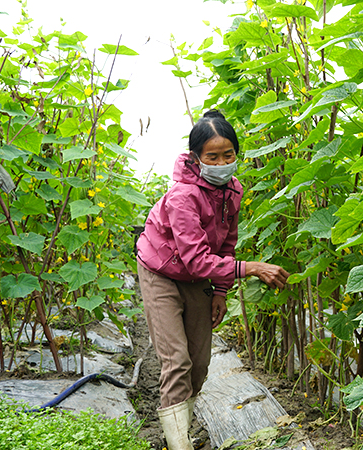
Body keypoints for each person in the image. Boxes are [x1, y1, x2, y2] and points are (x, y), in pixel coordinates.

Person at [136, 110, 289, 450]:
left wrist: (220, 292)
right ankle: (179, 445)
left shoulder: (232, 190)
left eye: (228, 155)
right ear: (196, 158)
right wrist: (253, 268)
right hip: (161, 272)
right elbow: (196, 257)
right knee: (177, 360)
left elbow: (227, 244)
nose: (222, 163)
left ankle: (180, 429)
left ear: (237, 153)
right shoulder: (182, 196)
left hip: (199, 277)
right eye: (212, 157)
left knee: (200, 364)